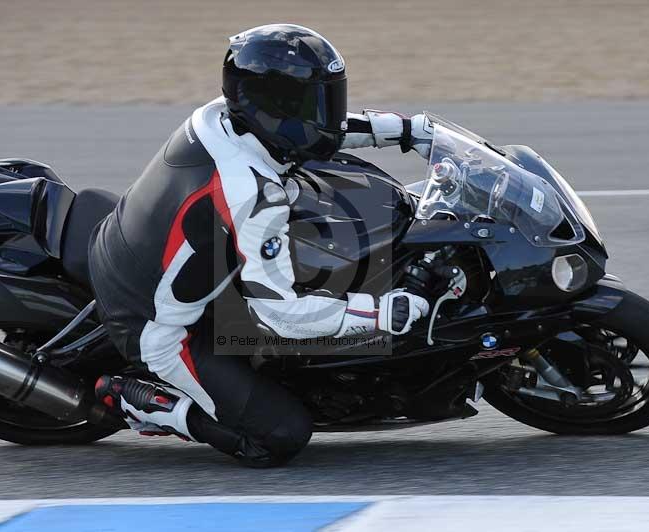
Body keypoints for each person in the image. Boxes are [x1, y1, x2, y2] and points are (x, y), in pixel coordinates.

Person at [89, 23, 435, 467]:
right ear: (272, 107)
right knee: (280, 434)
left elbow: (325, 130)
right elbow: (279, 315)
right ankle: (148, 405)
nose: (326, 113)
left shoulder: (223, 116)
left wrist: (409, 130)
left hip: (143, 249)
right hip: (154, 326)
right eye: (312, 103)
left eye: (327, 99)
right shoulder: (251, 193)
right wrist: (382, 313)